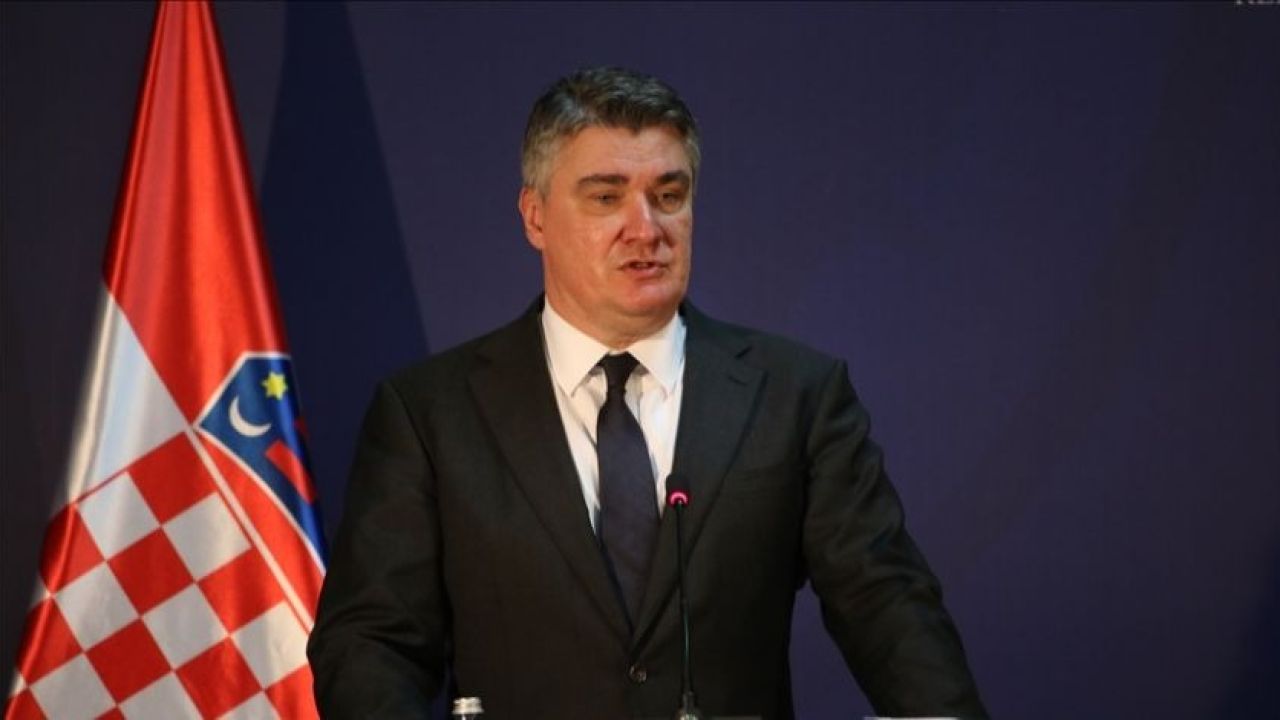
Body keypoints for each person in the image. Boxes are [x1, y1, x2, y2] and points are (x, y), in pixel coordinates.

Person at [308, 66, 987, 719]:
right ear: (535, 217)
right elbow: (372, 642)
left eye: (668, 195)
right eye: (606, 197)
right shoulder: (431, 414)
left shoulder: (796, 396)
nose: (646, 229)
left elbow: (885, 603)